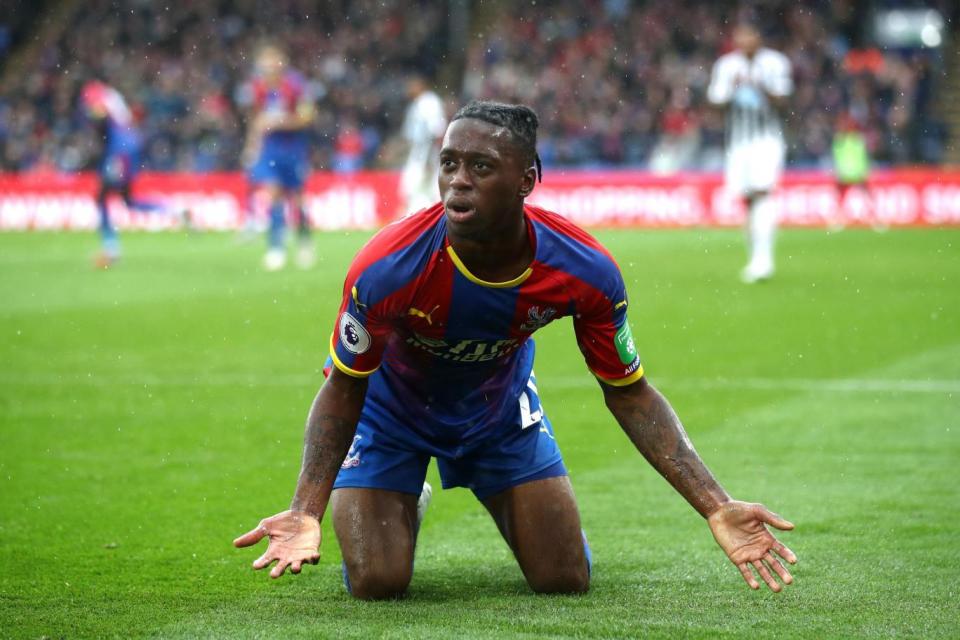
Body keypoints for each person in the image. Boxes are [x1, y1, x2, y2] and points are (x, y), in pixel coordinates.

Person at [234, 101, 798, 598]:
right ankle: (404, 499)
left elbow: (631, 395)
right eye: (449, 163)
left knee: (564, 578)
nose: (457, 181)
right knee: (380, 583)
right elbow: (344, 384)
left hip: (499, 413)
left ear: (527, 180)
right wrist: (306, 509)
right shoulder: (386, 266)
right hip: (391, 415)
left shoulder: (584, 270)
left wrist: (715, 504)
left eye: (481, 167)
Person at [707, 23, 793, 283]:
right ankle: (756, 257)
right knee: (748, 200)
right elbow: (715, 104)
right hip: (738, 142)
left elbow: (784, 103)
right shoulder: (726, 66)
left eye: (749, 35)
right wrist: (733, 88)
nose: (744, 40)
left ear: (759, 37)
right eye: (740, 36)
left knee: (762, 192)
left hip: (767, 139)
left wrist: (760, 86)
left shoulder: (775, 63)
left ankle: (763, 260)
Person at [81, 80, 171, 268]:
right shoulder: (114, 102)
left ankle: (111, 247)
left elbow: (99, 117)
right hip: (128, 149)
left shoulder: (102, 103)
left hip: (119, 153)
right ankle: (172, 209)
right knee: (127, 201)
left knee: (102, 196)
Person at [241, 44, 316, 271]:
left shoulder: (295, 85)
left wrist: (280, 122)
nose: (267, 69)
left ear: (280, 64)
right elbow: (257, 119)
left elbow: (307, 117)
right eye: (263, 65)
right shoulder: (258, 89)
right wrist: (251, 146)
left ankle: (305, 242)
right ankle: (276, 248)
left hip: (293, 148)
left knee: (298, 197)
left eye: (271, 63)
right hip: (270, 150)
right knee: (273, 194)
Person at [398, 74, 447, 216]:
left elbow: (437, 131)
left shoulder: (430, 103)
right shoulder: (417, 103)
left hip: (427, 154)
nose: (408, 89)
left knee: (423, 189)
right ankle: (413, 219)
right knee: (412, 189)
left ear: (420, 85)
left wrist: (432, 158)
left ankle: (430, 221)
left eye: (411, 85)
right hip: (418, 153)